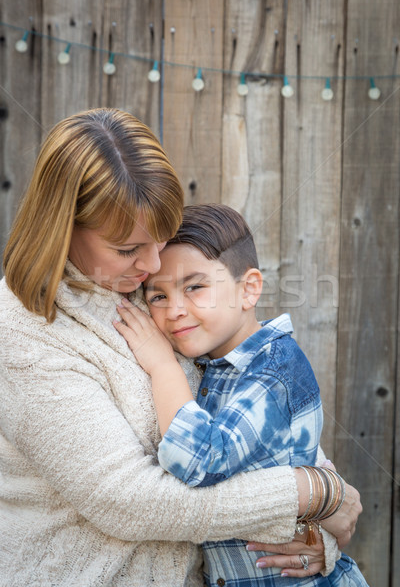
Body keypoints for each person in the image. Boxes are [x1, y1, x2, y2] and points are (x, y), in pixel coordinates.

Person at [0, 108, 362, 587]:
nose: (153, 264)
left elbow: (253, 416)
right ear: (63, 229)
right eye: (129, 249)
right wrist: (307, 495)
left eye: (162, 238)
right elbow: (130, 501)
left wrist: (323, 521)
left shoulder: (151, 287)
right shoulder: (24, 333)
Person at [114, 203, 369, 587]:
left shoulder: (275, 366)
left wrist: (161, 365)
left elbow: (201, 460)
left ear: (248, 289)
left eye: (195, 287)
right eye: (157, 296)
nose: (175, 311)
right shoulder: (209, 365)